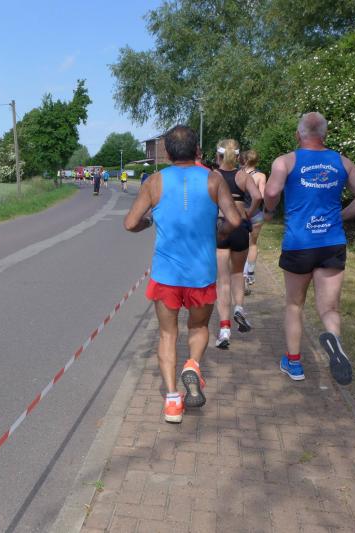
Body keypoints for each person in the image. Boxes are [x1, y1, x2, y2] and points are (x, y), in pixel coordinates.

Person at [124, 125, 241, 423]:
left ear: (167, 153)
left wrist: (149, 223)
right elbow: (234, 220)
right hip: (201, 273)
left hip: (166, 275)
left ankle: (173, 401)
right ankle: (192, 365)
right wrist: (219, 232)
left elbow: (130, 223)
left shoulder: (155, 181)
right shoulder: (213, 179)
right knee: (199, 328)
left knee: (167, 333)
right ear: (198, 151)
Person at [264, 112, 355, 384]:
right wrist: (341, 216)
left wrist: (269, 210)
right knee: (330, 308)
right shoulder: (343, 162)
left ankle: (294, 364)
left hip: (299, 243)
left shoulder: (285, 161)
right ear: (325, 135)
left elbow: (271, 192)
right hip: (331, 242)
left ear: (298, 134)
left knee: (294, 304)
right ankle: (335, 343)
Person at [214, 139, 261, 350]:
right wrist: (248, 214)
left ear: (218, 155)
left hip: (221, 226)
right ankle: (239, 309)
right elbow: (257, 196)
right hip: (240, 226)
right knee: (237, 274)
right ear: (237, 156)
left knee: (223, 280)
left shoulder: (214, 175)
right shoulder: (243, 175)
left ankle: (224, 330)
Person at [241, 150, 267, 293]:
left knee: (241, 245)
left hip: (241, 213)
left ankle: (239, 275)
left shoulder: (239, 175)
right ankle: (249, 274)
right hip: (256, 213)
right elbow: (262, 195)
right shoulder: (261, 176)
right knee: (253, 244)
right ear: (256, 161)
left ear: (244, 159)